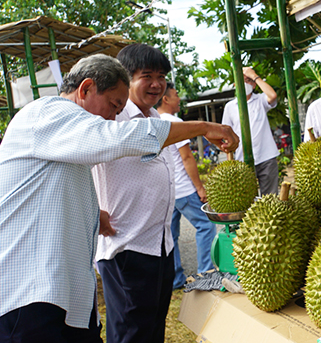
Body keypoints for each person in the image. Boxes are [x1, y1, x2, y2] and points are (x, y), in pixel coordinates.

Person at [0, 54, 237, 343]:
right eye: (113, 106)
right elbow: (117, 137)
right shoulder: (46, 113)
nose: (114, 117)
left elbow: (54, 188)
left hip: (66, 297)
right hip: (29, 297)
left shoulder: (68, 141)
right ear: (86, 89)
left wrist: (91, 212)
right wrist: (203, 127)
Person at [91, 44, 237, 343]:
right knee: (131, 331)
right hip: (125, 244)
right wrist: (92, 209)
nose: (157, 84)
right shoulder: (113, 118)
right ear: (125, 79)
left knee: (153, 325)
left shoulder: (154, 118)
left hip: (160, 243)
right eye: (147, 76)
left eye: (162, 77)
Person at [157, 81, 216, 290]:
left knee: (170, 235)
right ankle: (207, 274)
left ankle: (174, 279)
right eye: (175, 94)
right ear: (165, 98)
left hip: (167, 190)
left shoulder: (153, 120)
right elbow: (187, 158)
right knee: (206, 226)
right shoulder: (175, 122)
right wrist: (200, 187)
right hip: (183, 188)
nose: (178, 98)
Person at [221, 66, 280, 195]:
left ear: (254, 85)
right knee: (247, 201)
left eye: (249, 80)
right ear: (236, 84)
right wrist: (230, 162)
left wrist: (254, 76)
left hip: (266, 157)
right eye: (243, 80)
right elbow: (226, 135)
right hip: (243, 160)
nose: (246, 83)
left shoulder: (260, 100)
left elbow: (272, 95)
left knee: (270, 200)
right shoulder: (230, 107)